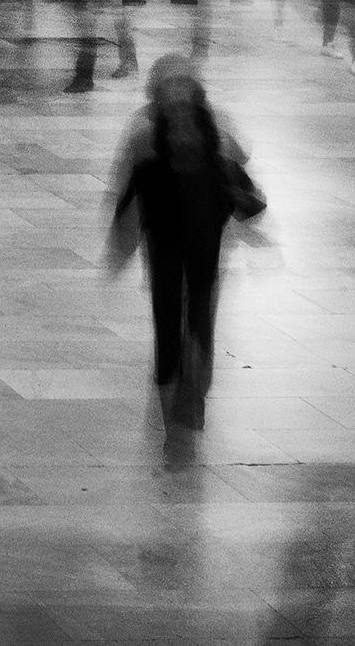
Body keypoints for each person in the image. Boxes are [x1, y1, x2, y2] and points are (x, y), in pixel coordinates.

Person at [107, 56, 260, 431]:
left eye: (183, 84)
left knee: (201, 313)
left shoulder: (215, 123)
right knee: (169, 311)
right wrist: (121, 243)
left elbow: (241, 163)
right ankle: (173, 383)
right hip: (163, 237)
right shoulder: (143, 129)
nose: (177, 92)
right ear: (156, 92)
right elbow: (126, 184)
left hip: (205, 238)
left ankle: (194, 391)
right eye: (169, 85)